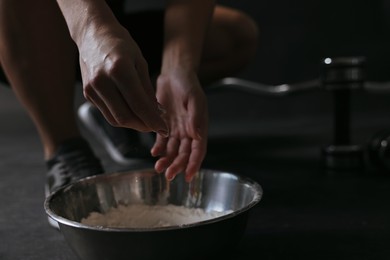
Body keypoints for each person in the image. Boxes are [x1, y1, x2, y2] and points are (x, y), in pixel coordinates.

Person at [0, 0, 258, 210]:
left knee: (233, 35)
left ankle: (113, 105)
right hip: (24, 28)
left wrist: (177, 68)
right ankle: (62, 145)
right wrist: (91, 27)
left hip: (106, 17)